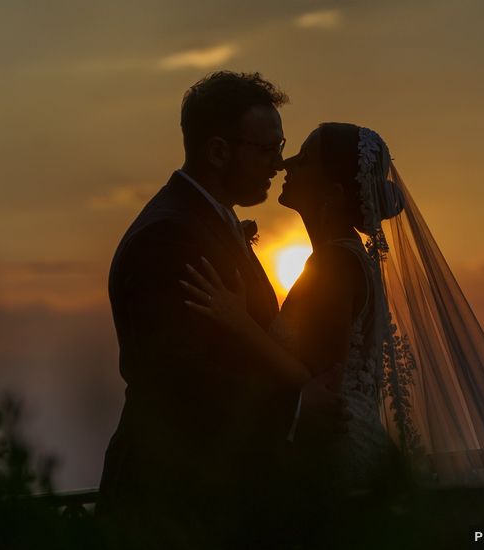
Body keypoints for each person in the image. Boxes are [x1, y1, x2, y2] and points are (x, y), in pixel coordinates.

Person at [183, 123, 484, 515]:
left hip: (336, 455)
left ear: (332, 195)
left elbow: (321, 383)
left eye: (305, 159)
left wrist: (239, 322)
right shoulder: (341, 259)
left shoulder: (334, 264)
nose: (286, 163)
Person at [96, 72, 348, 549]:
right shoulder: (168, 238)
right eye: (267, 149)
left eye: (282, 148)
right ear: (217, 151)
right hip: (171, 508)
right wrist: (296, 406)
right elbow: (179, 380)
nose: (279, 163)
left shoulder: (208, 221)